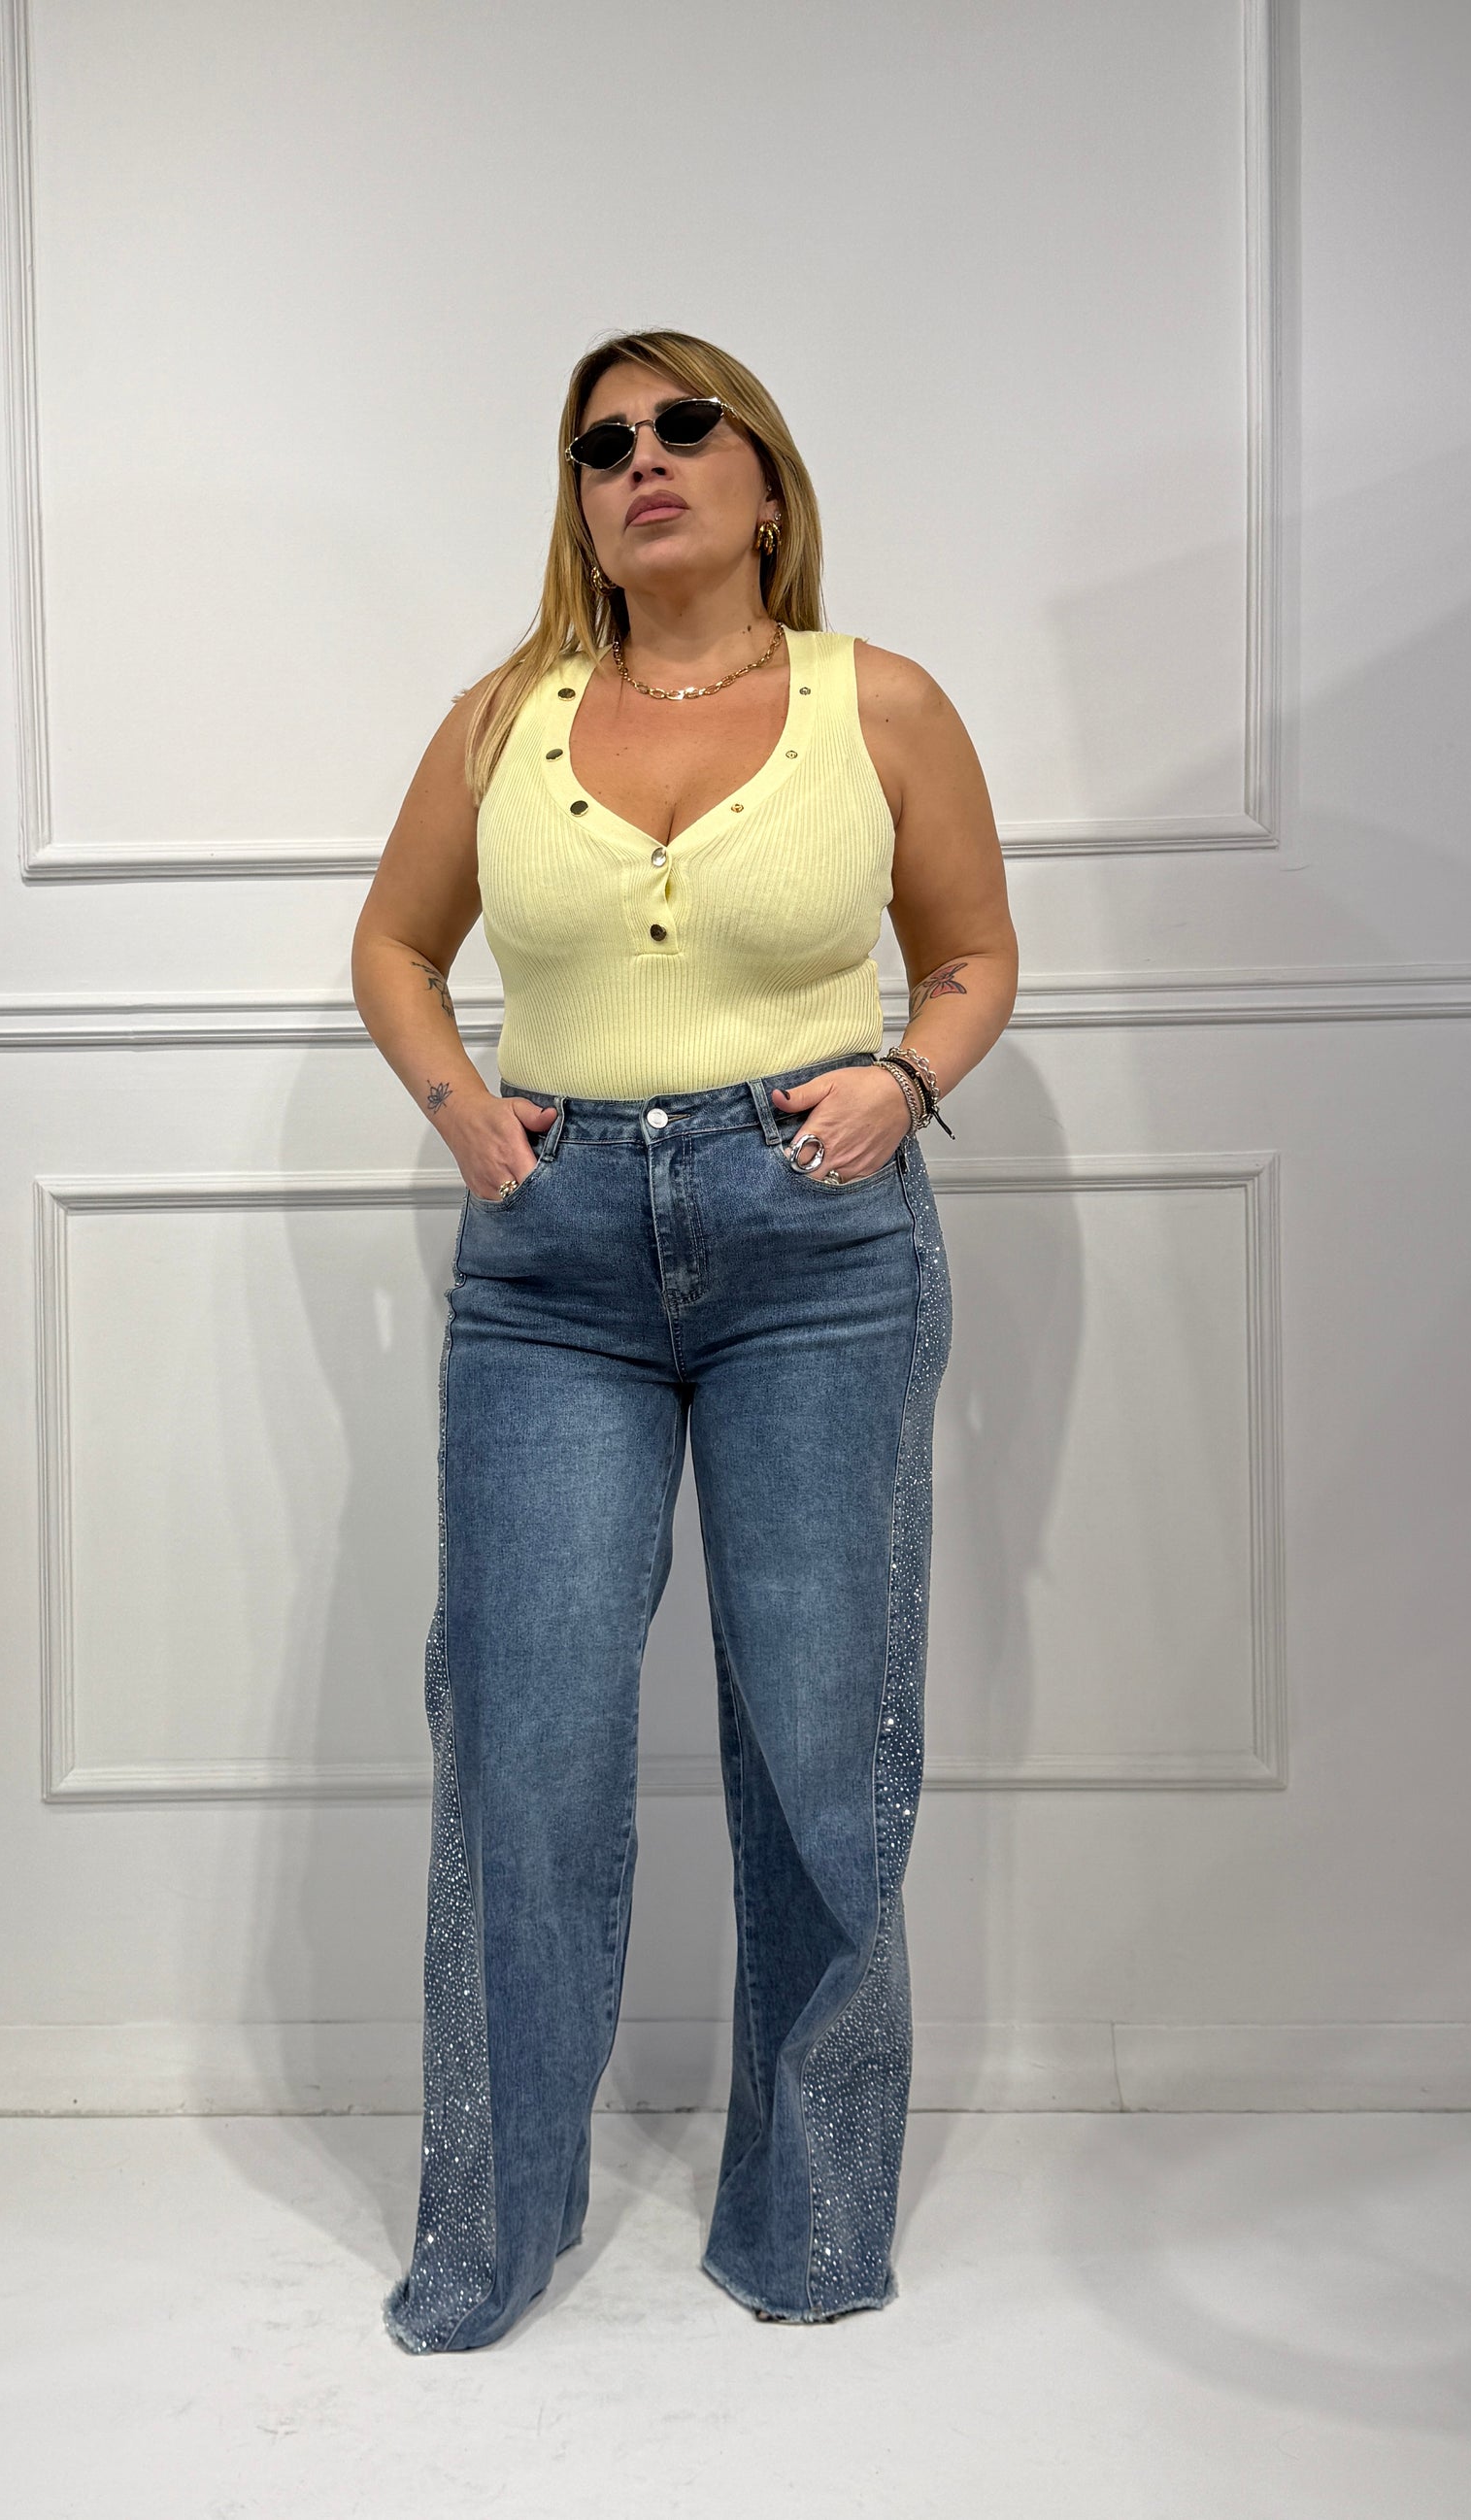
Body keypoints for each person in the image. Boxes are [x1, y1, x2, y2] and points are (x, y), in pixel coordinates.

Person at [351, 327, 1018, 2352]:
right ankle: (488, 2234)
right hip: (547, 1266)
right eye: (599, 444)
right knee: (523, 1738)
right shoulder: (503, 715)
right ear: (578, 501)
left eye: (681, 425)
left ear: (763, 478)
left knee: (822, 1735)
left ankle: (809, 2228)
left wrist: (905, 1082)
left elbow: (972, 954)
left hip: (813, 1241)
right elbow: (394, 942)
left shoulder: (877, 702)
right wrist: (463, 1113)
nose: (640, 459)